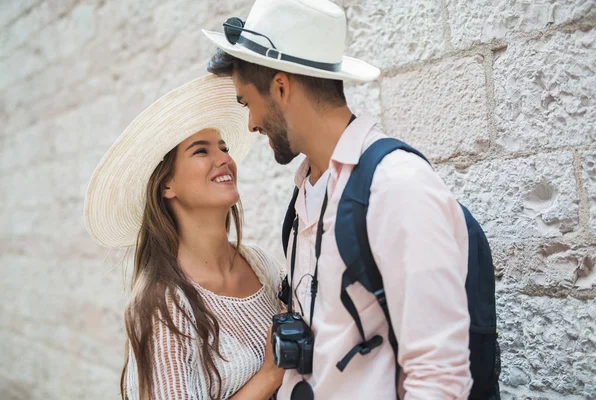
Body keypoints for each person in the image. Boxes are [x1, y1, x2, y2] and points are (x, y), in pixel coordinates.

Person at [202, 0, 473, 399]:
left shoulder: (395, 186)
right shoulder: (305, 194)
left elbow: (439, 378)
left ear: (281, 87)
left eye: (247, 102)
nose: (251, 124)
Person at [84, 74, 285, 399]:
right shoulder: (161, 305)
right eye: (201, 151)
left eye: (223, 147)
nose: (224, 159)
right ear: (167, 185)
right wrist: (270, 374)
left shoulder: (260, 264)